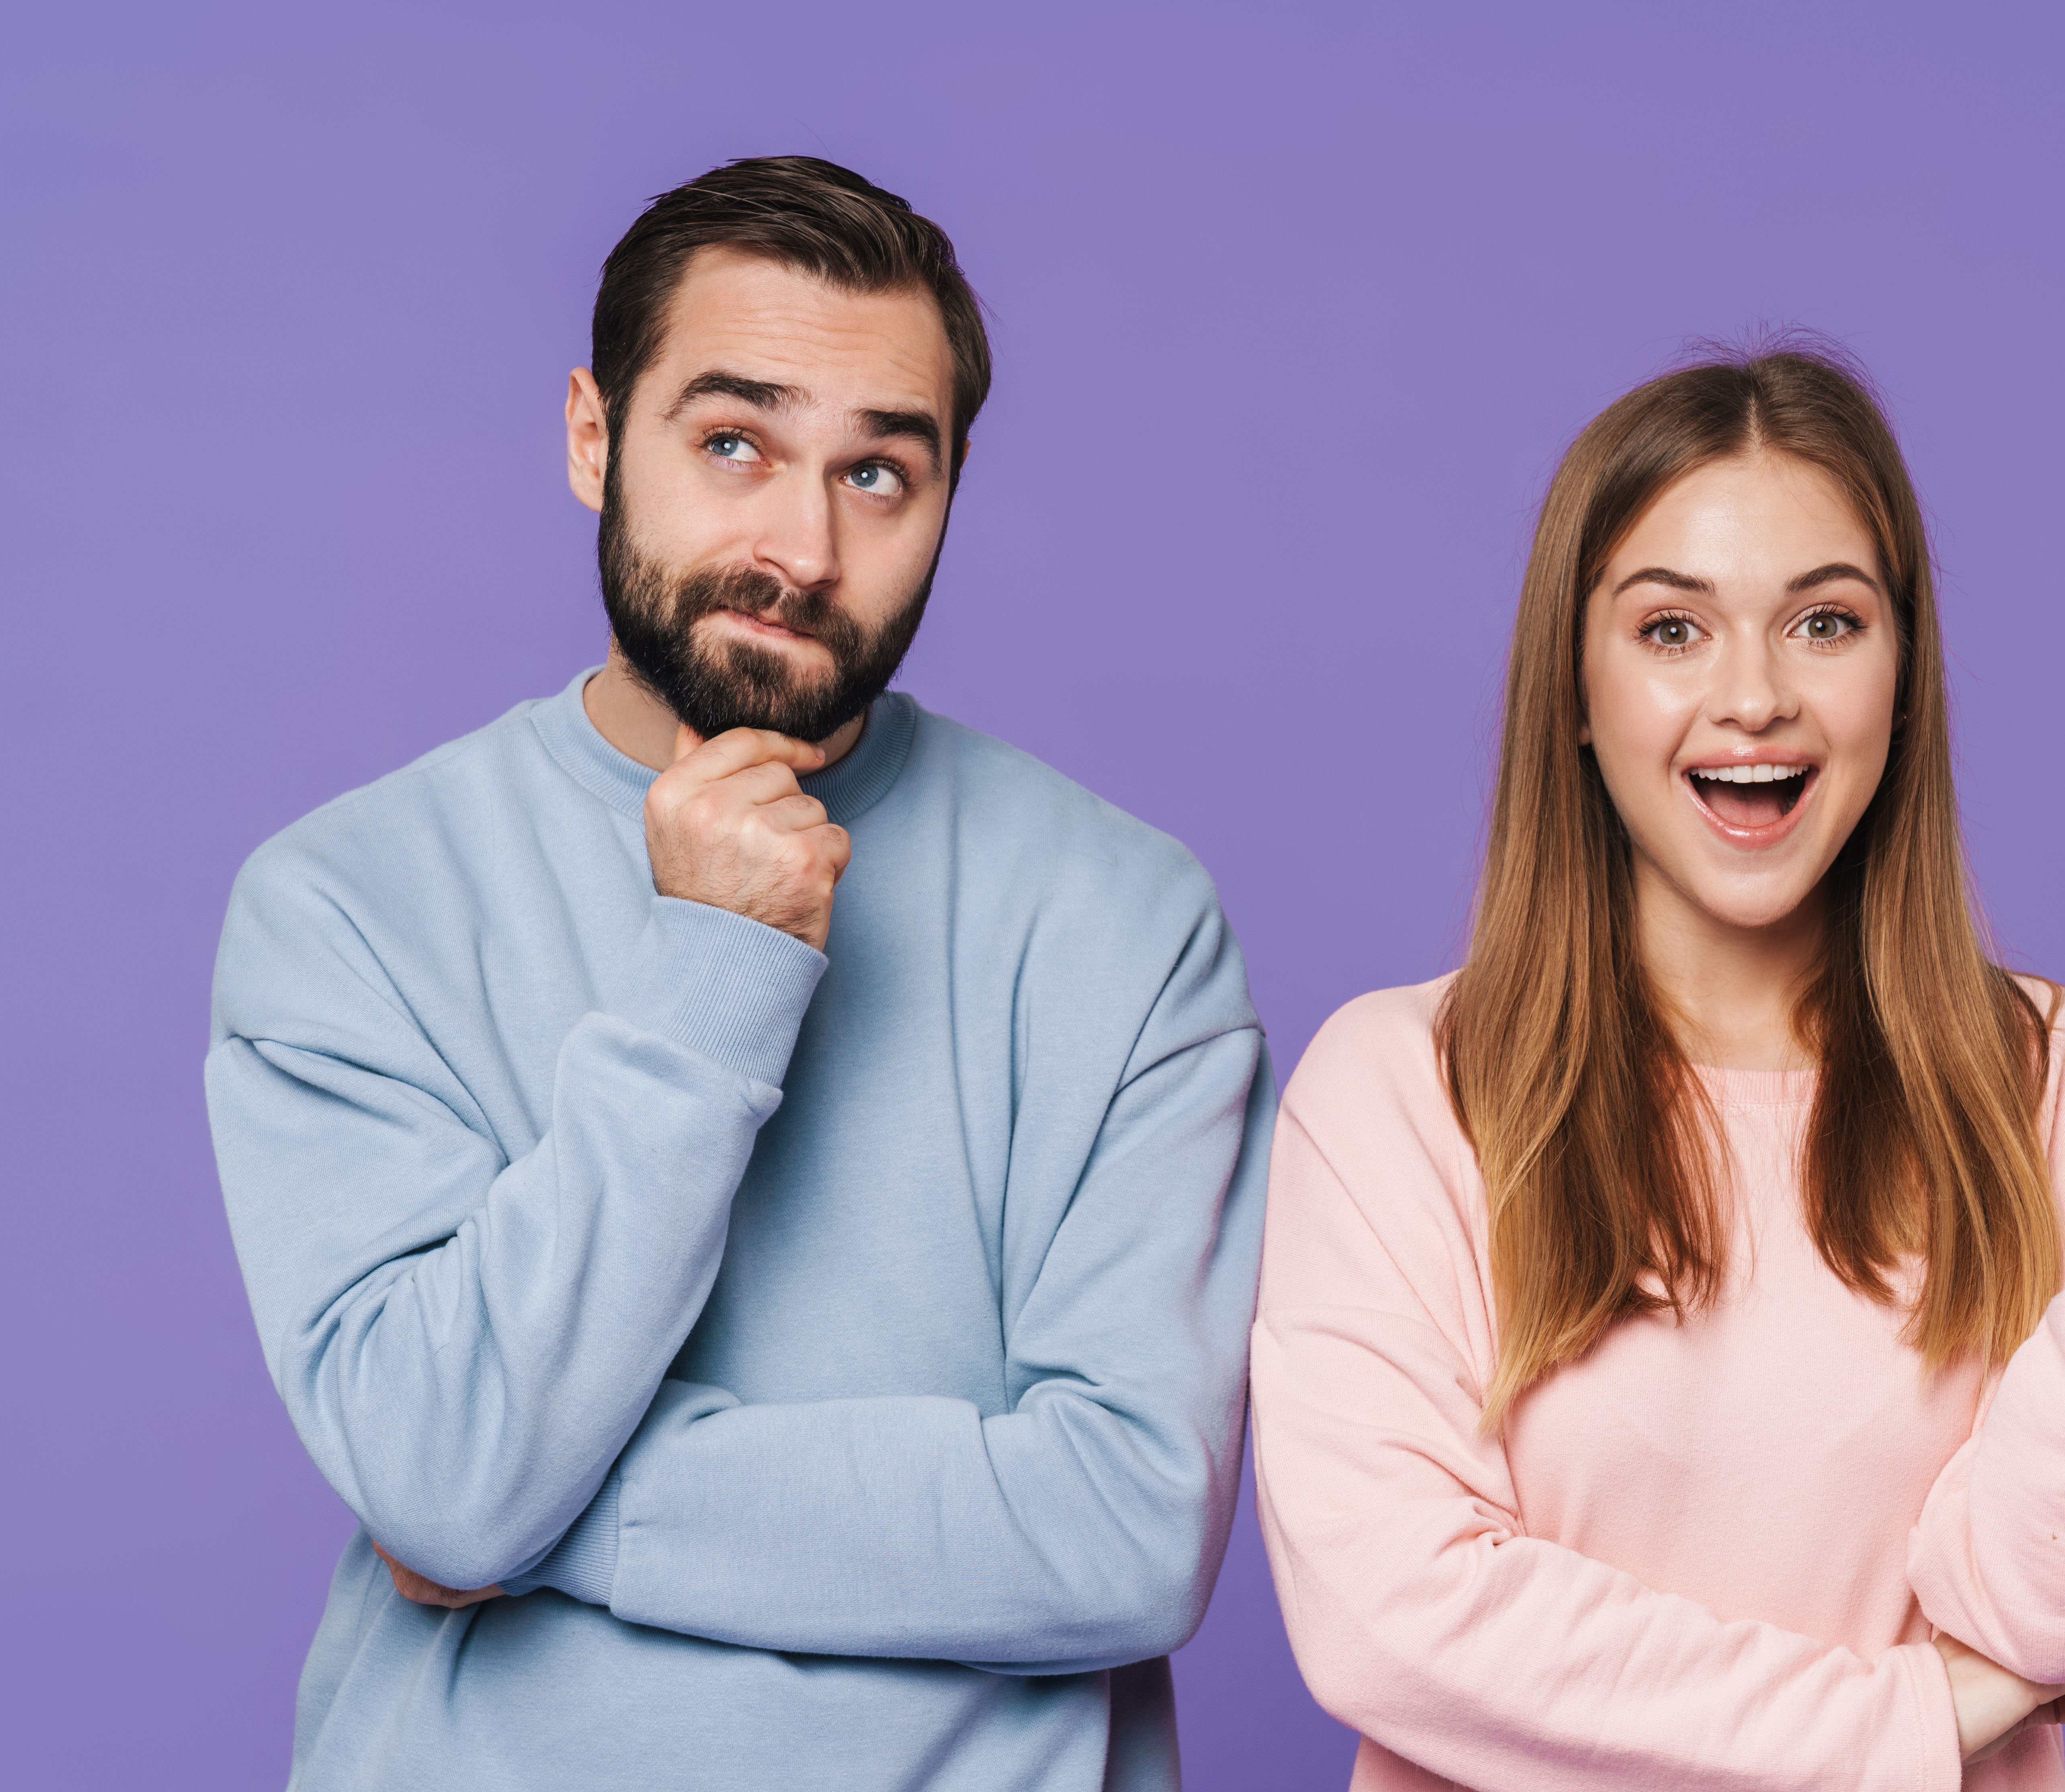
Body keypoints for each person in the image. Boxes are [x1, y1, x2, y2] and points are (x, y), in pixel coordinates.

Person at [206, 156, 1271, 1791]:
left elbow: (1127, 1529)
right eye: (732, 445)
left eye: (879, 476)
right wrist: (716, 965)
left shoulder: (1127, 924)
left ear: (949, 494)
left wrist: (556, 1514)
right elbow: (443, 1474)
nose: (801, 543)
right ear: (590, 436)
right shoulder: (346, 905)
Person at [1249, 344, 2065, 1789]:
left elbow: (2051, 1603)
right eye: (1672, 630)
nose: (1753, 697)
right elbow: (1398, 1622)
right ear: (1574, 688)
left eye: (1824, 621)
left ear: (1903, 674)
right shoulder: (1398, 1087)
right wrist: (1918, 1715)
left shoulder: (2058, 1073)